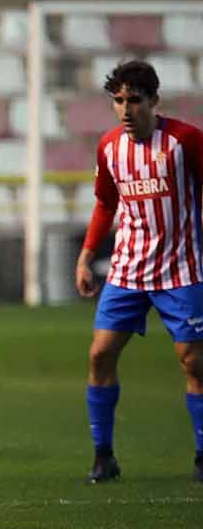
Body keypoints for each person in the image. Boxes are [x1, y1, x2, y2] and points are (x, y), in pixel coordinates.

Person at [75, 60, 203, 484]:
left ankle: (202, 456)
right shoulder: (110, 148)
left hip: (182, 270)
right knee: (100, 355)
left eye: (134, 100)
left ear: (154, 101)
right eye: (118, 101)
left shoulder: (186, 141)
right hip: (127, 270)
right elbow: (106, 204)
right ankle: (103, 456)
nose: (126, 110)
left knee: (193, 364)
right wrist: (87, 254)